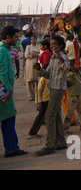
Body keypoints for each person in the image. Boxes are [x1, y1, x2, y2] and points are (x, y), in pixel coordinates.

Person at [33, 35, 71, 156]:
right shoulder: (53, 58)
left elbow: (67, 67)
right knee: (56, 114)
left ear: (60, 45)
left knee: (49, 115)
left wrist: (59, 56)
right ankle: (60, 141)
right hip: (52, 86)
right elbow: (48, 74)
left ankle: (50, 145)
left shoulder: (63, 56)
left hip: (58, 88)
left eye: (55, 44)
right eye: (51, 44)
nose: (52, 46)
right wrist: (39, 69)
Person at [0, 26, 28, 157]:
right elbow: (3, 73)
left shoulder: (6, 50)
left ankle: (11, 147)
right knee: (8, 118)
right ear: (8, 37)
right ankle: (11, 148)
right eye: (16, 37)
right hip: (4, 92)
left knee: (8, 118)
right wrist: (9, 89)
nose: (17, 39)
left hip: (5, 90)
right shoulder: (2, 51)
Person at [63, 68, 81, 133]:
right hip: (72, 95)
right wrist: (69, 82)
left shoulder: (80, 74)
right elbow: (65, 84)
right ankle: (65, 128)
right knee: (70, 112)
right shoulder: (69, 75)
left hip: (78, 95)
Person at [27, 67, 50, 139]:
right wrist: (38, 102)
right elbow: (38, 92)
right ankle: (32, 132)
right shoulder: (43, 79)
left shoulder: (50, 78)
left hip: (49, 99)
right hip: (44, 100)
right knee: (40, 117)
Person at [24, 35, 40, 101]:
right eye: (32, 39)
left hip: (37, 65)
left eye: (34, 39)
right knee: (29, 81)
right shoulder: (28, 47)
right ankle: (30, 96)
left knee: (38, 81)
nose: (33, 40)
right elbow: (26, 55)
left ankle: (37, 96)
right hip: (29, 65)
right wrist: (33, 55)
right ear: (30, 40)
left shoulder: (39, 46)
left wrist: (35, 54)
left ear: (36, 40)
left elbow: (41, 54)